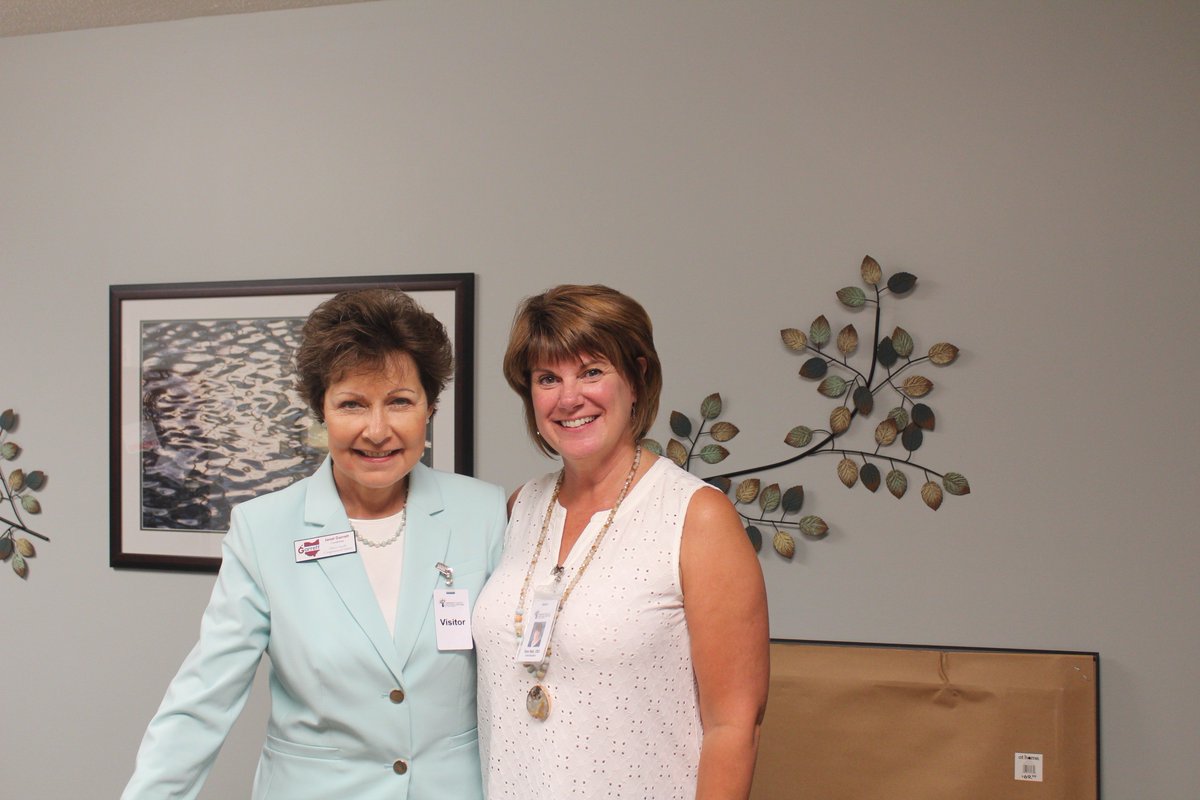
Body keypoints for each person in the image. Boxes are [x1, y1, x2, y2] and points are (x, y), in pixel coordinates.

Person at [123, 288, 506, 800]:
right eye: (352, 404)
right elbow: (203, 699)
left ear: (429, 407)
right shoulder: (264, 530)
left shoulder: (484, 513)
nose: (377, 430)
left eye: (399, 402)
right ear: (321, 410)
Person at [473, 284, 769, 799]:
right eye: (548, 378)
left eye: (591, 371)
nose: (569, 398)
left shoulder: (696, 517)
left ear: (637, 379)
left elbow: (734, 726)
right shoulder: (520, 508)